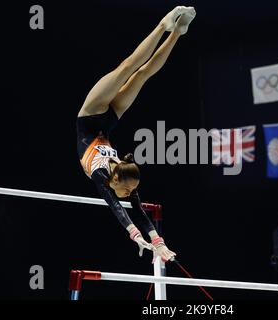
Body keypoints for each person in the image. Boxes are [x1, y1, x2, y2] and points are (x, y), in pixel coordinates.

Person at [76, 6, 196, 262]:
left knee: (134, 71)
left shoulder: (102, 176)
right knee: (133, 69)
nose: (130, 194)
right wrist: (152, 240)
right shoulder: (123, 178)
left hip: (89, 115)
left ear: (115, 181)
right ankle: (171, 27)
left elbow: (118, 208)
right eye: (130, 190)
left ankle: (175, 29)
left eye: (129, 191)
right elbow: (136, 210)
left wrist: (142, 237)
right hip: (107, 122)